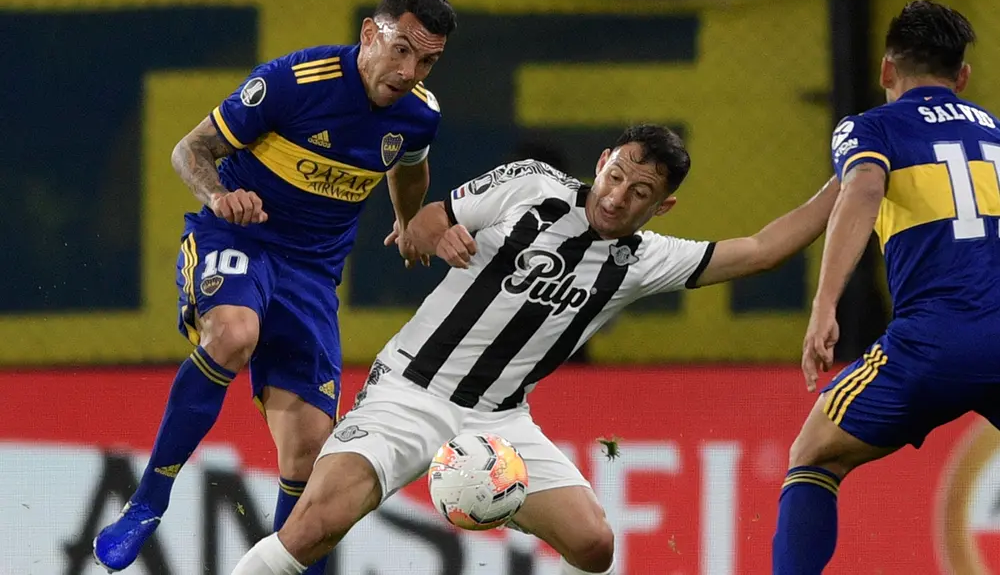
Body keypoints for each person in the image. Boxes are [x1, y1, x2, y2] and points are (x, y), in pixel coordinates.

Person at [228, 123, 840, 575]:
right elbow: (427, 218)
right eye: (616, 176)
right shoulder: (532, 185)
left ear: (663, 206)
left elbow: (762, 250)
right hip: (410, 391)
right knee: (314, 526)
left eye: (640, 192)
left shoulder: (648, 259)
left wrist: (855, 176)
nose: (617, 197)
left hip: (500, 423)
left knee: (594, 545)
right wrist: (436, 237)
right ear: (601, 163)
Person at [93, 0, 457, 572]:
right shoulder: (294, 82)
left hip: (312, 275)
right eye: (401, 50)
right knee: (234, 334)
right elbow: (190, 150)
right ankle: (148, 500)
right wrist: (220, 195)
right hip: (240, 239)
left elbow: (410, 166)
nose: (409, 72)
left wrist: (407, 220)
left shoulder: (420, 113)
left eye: (427, 61)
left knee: (311, 452)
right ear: (370, 34)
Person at [771, 0, 1000, 575]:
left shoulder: (871, 128)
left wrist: (825, 303)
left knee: (813, 456)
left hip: (933, 344)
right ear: (962, 77)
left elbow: (864, 189)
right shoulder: (995, 133)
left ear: (885, 70)